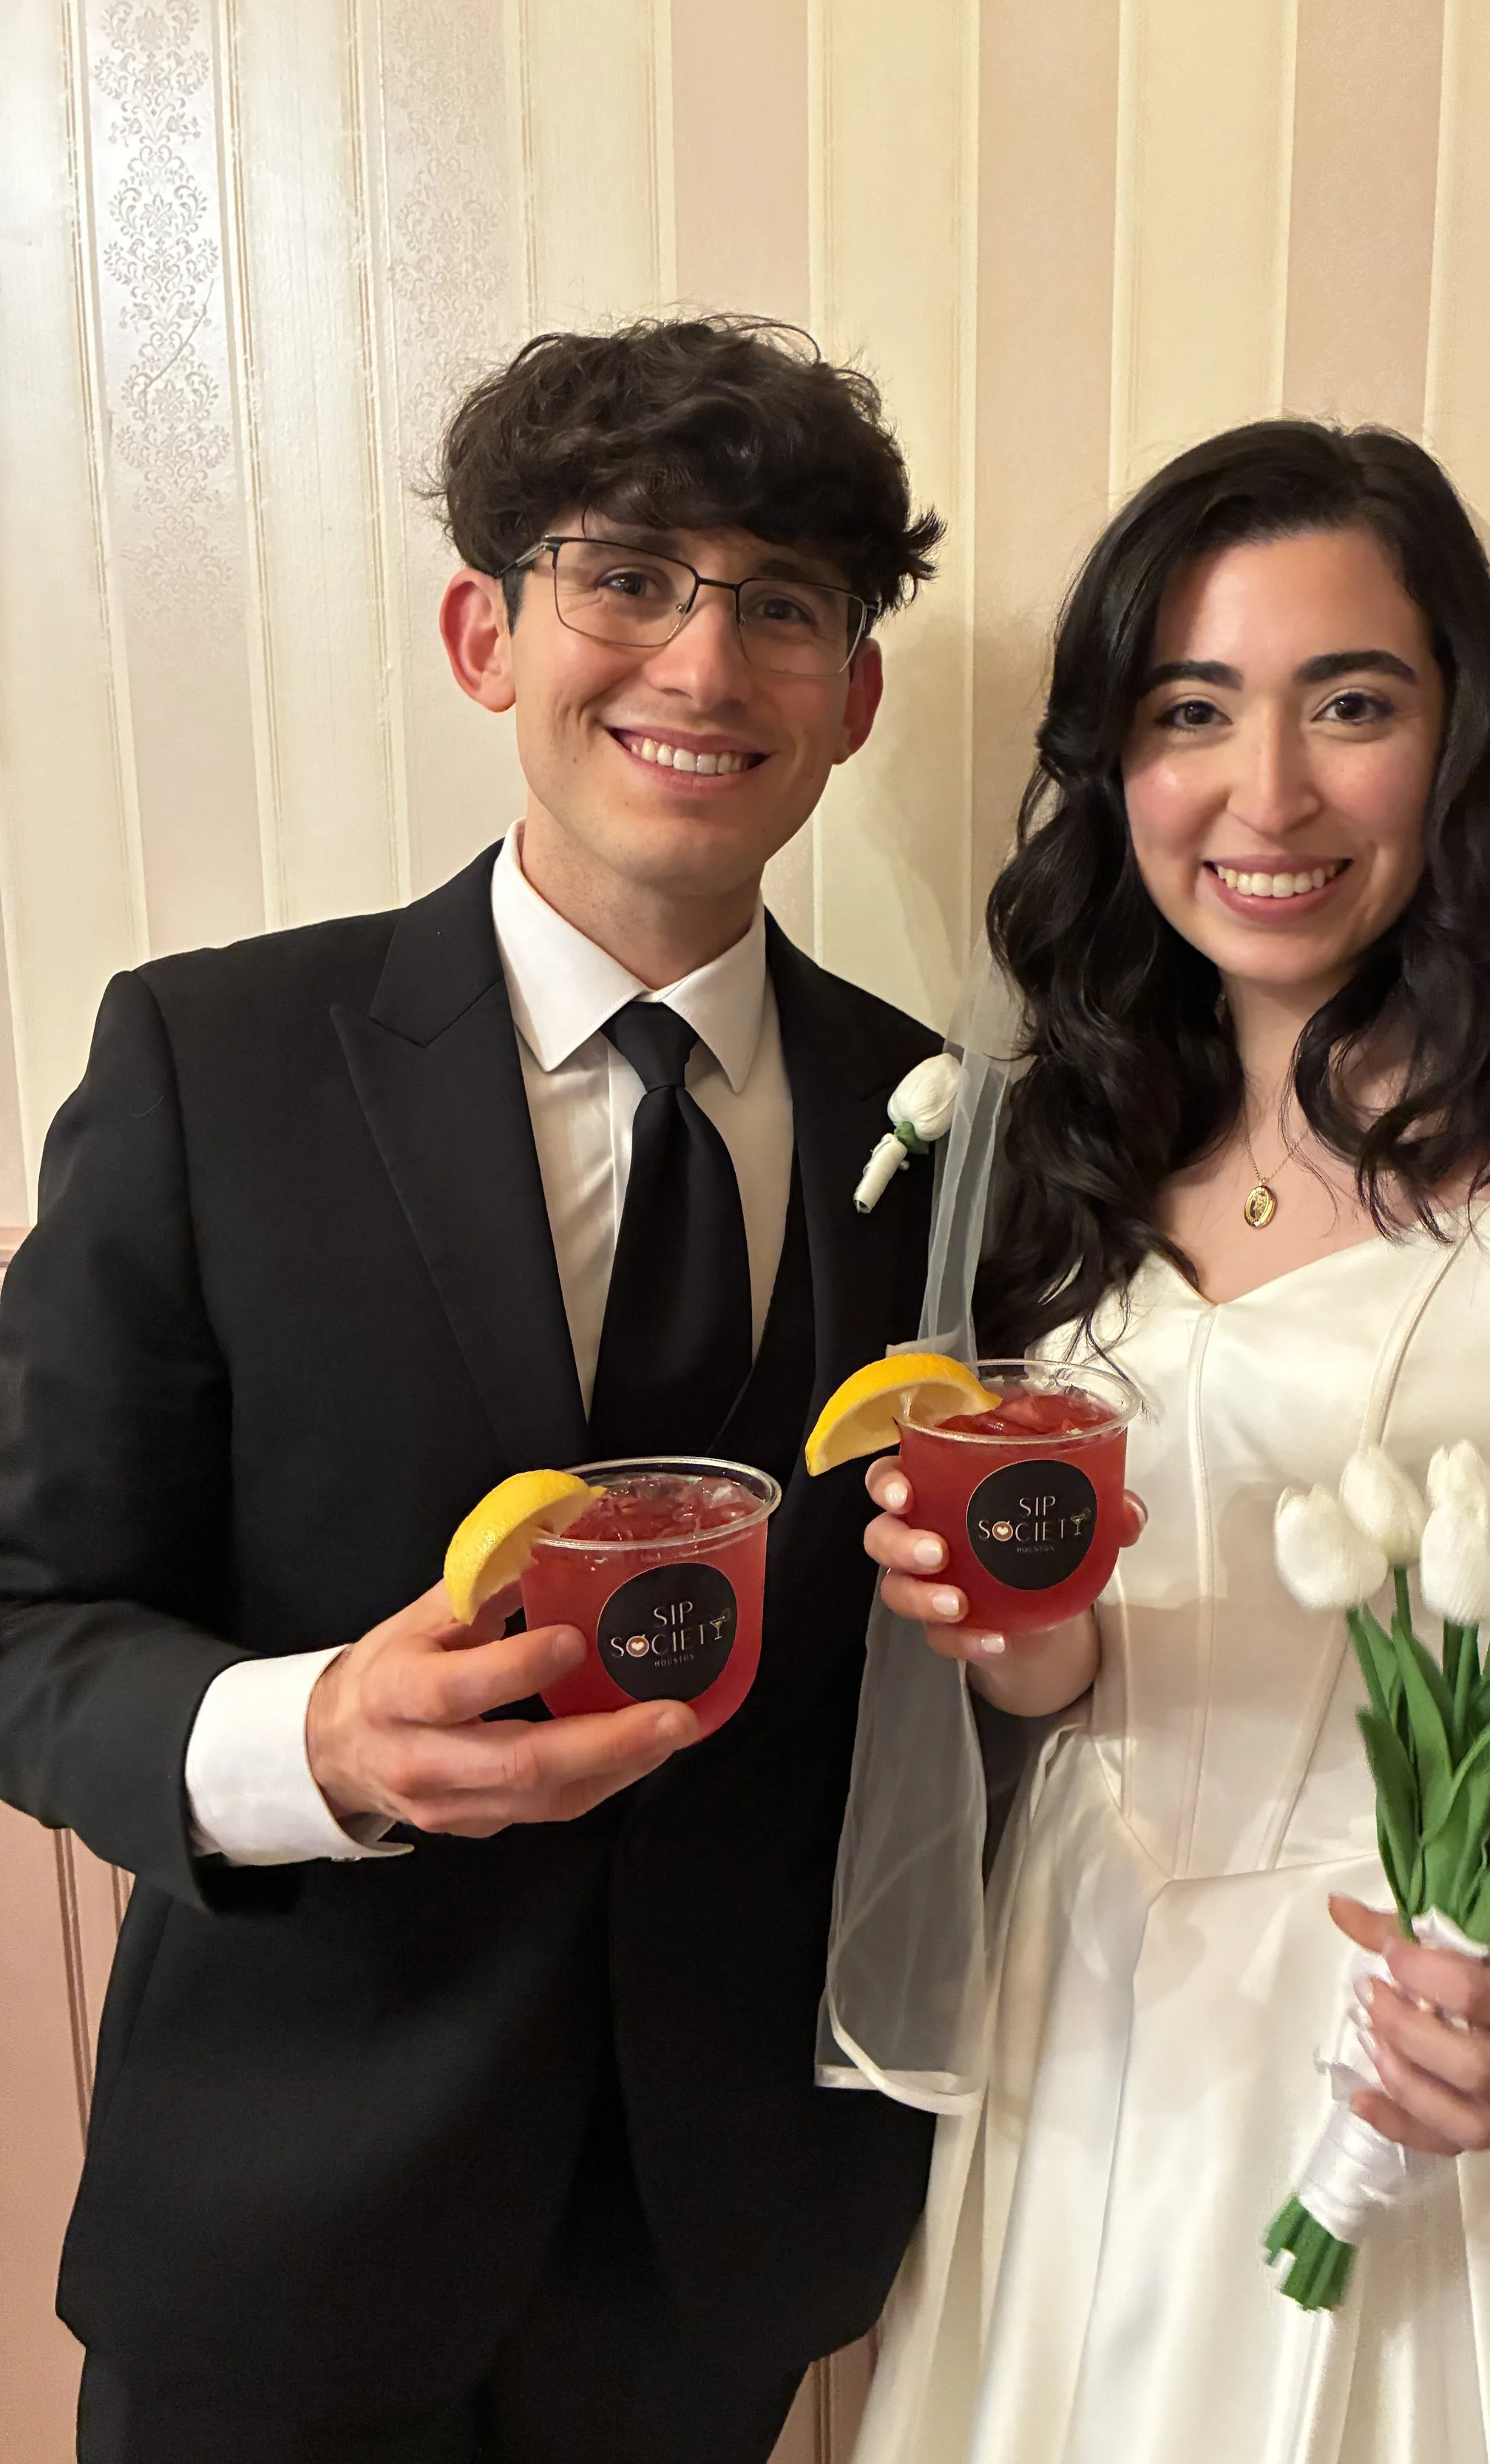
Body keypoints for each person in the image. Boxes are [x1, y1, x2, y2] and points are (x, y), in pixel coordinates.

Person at [831, 421, 1490, 2460]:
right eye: (1187, 713)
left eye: (1349, 706)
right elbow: (1098, 1654)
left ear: (1455, 738)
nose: (1265, 794)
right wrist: (1029, 1650)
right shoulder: (1071, 1129)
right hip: (1102, 2040)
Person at [0, 316, 945, 2464]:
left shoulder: (949, 1122)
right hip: (280, 2228)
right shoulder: (208, 1062)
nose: (700, 668)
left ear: (853, 693)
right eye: (624, 574)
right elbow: (23, 1613)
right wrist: (306, 1738)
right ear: (483, 631)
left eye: (782, 605)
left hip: (717, 2253)